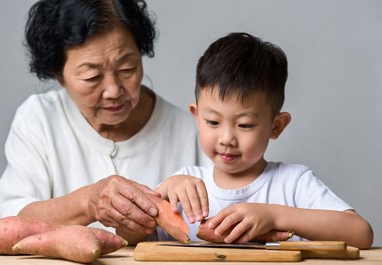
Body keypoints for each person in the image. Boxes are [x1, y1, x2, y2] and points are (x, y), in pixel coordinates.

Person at [121, 32, 374, 249]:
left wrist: (274, 216)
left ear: (276, 126)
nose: (227, 138)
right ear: (197, 117)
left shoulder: (292, 183)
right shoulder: (184, 186)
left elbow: (360, 233)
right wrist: (158, 199)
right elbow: (128, 240)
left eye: (244, 125)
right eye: (213, 122)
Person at [0, 0, 209, 237]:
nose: (113, 90)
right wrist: (88, 202)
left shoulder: (191, 132)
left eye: (127, 69)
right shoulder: (39, 120)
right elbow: (9, 221)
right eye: (92, 76)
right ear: (59, 75)